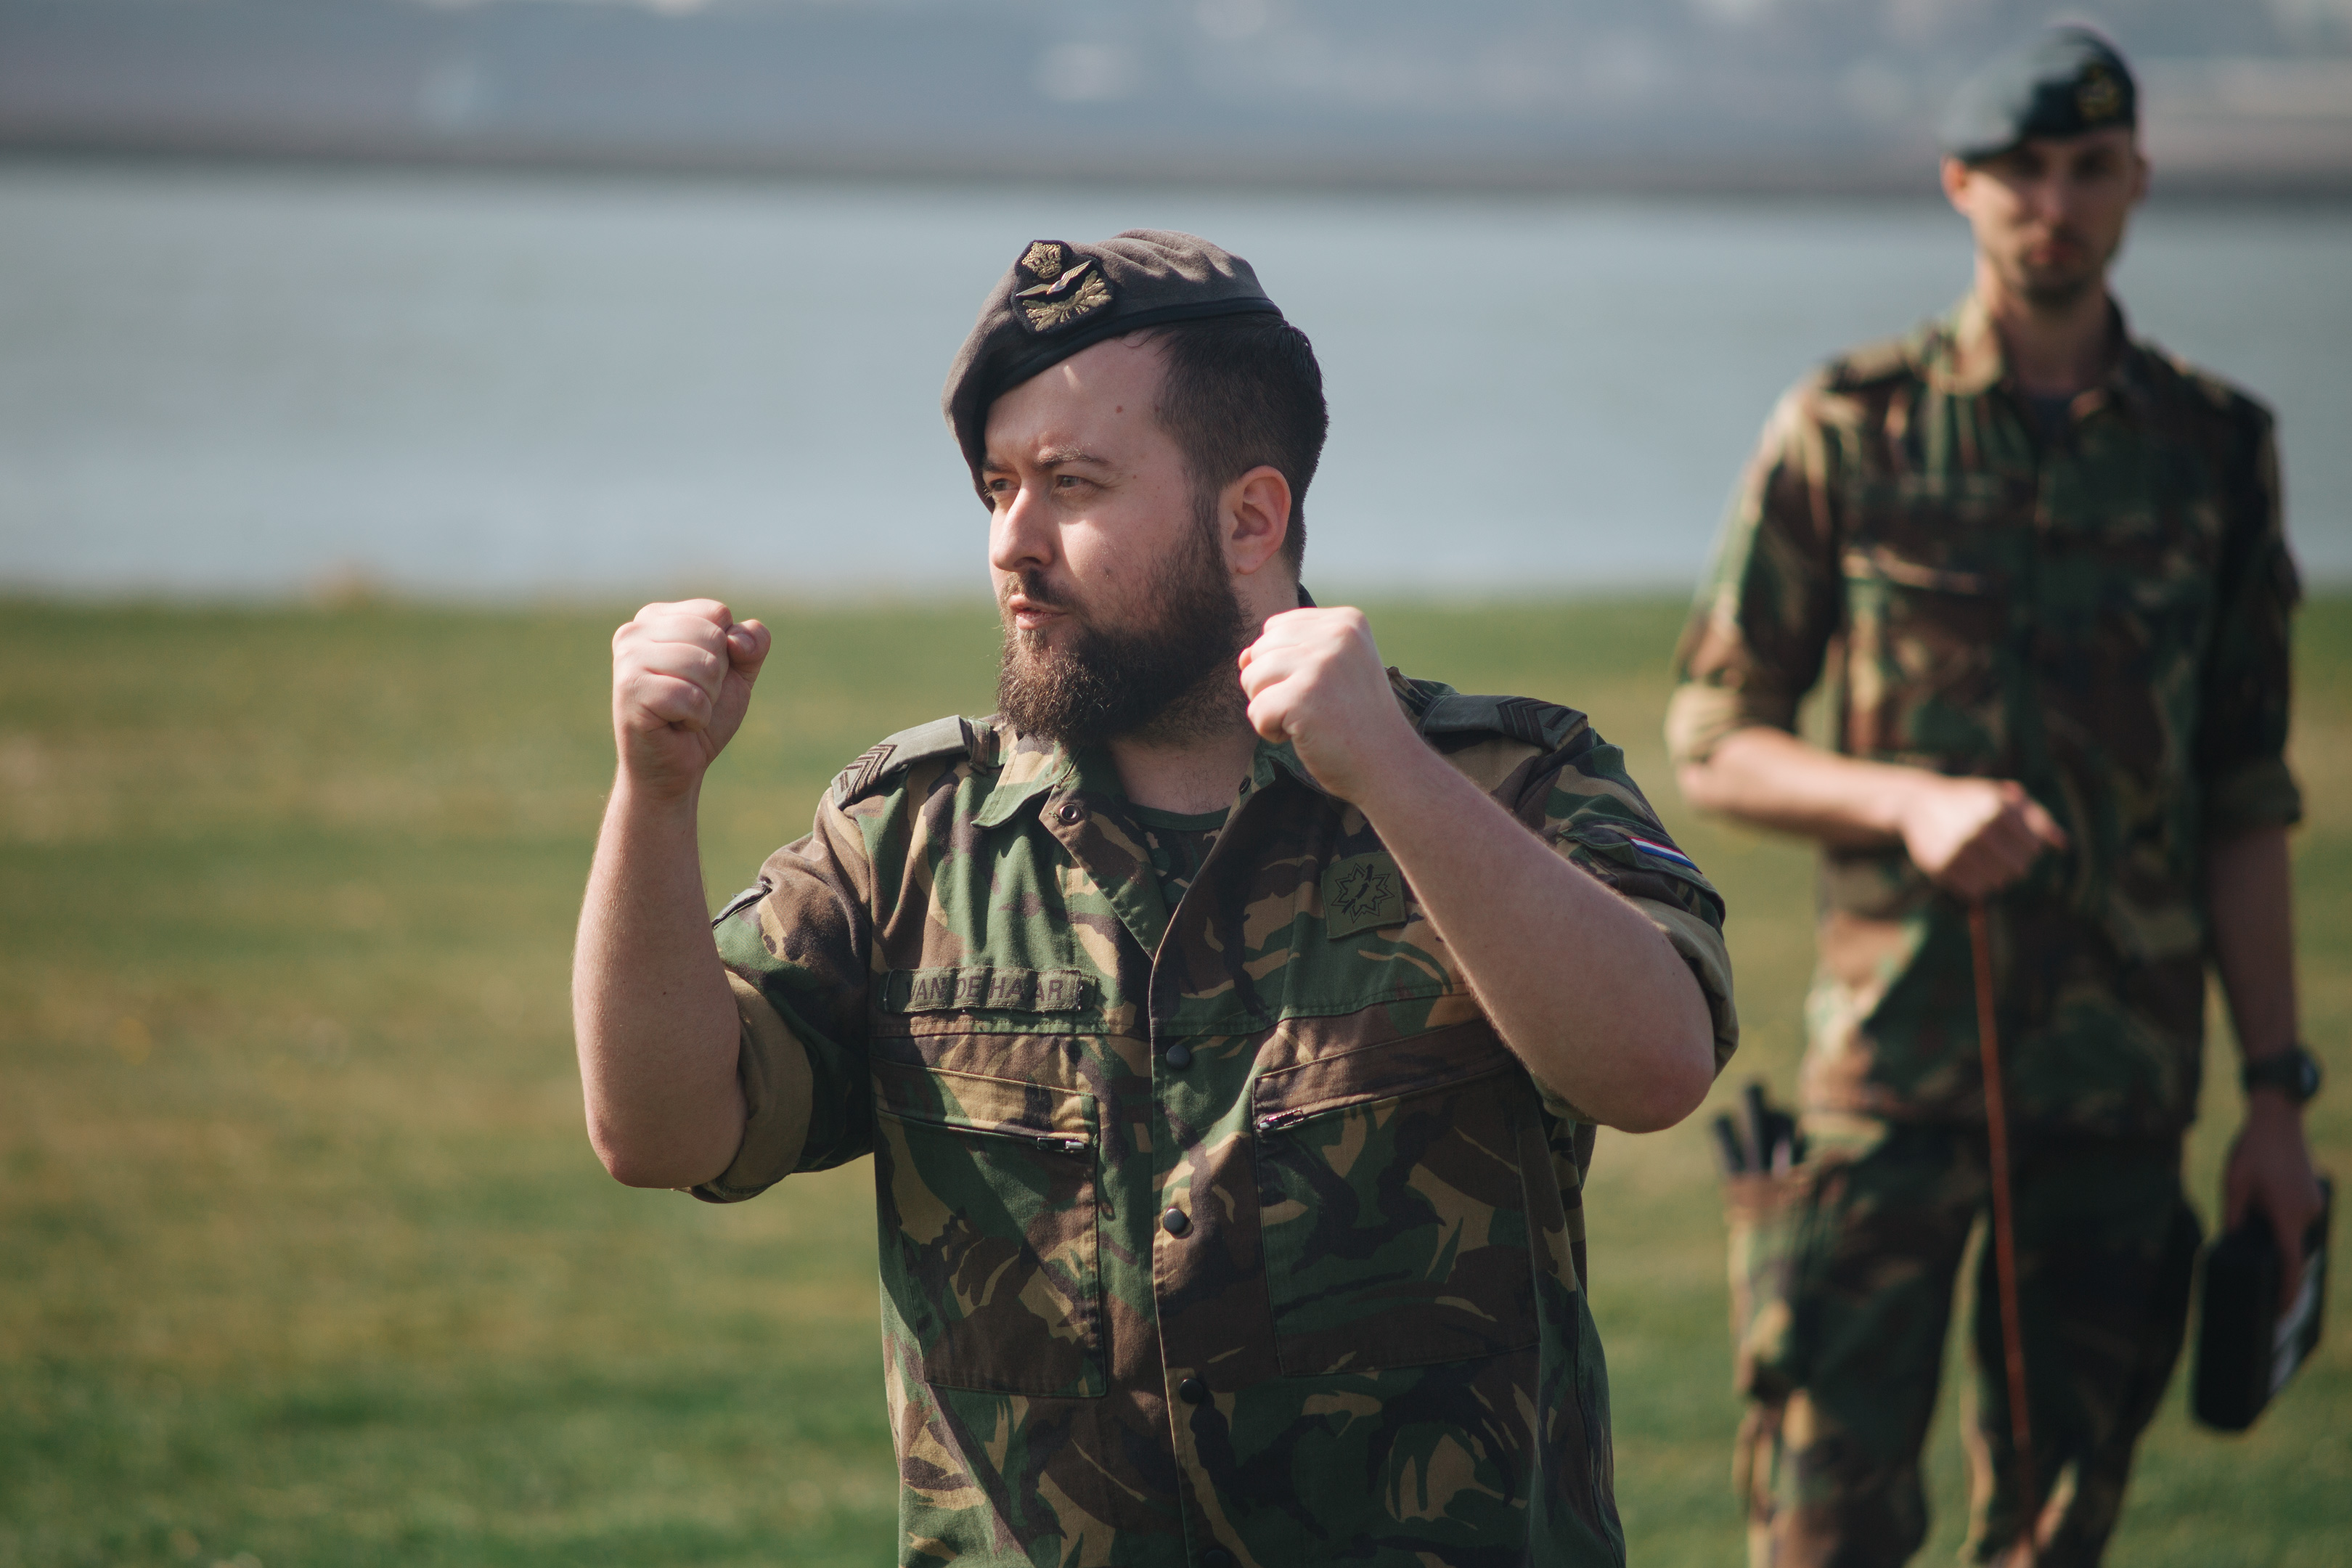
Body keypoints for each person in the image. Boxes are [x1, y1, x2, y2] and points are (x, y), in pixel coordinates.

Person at [574, 229, 1736, 1565]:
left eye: (1071, 485)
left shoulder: (1510, 789)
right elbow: (659, 1132)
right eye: (997, 487)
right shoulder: (914, 840)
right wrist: (653, 800)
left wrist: (1394, 781)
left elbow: (1654, 1067)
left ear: (1251, 518)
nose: (1014, 543)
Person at [1667, 27, 2327, 1568]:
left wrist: (2278, 1104)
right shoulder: (1852, 425)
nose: (2056, 203)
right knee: (1820, 1534)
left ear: (2138, 183)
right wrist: (1903, 804)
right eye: (2021, 171)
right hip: (1886, 1080)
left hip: (2118, 1090)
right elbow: (1715, 736)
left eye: (2090, 169)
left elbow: (2244, 797)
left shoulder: (2217, 456)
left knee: (2056, 1543)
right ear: (1960, 186)